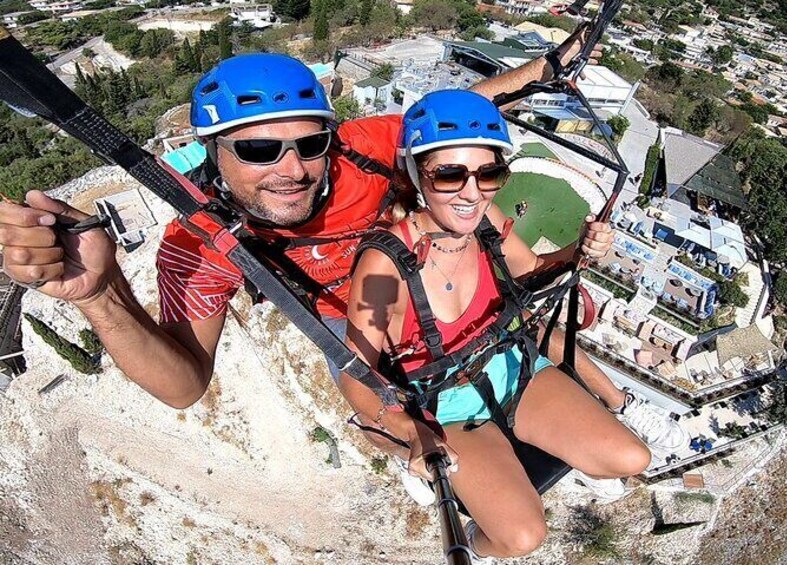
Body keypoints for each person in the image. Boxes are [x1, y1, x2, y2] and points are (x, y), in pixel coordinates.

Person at [0, 42, 683, 503]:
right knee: (381, 383)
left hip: (418, 273)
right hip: (349, 315)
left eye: (308, 144)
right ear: (214, 156)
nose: (290, 168)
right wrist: (100, 296)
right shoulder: (199, 239)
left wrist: (547, 65)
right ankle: (418, 450)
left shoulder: (365, 150)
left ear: (332, 139)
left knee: (517, 291)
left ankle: (580, 406)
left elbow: (466, 108)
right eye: (259, 148)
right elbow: (184, 383)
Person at [338, 90, 651, 560]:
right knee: (522, 539)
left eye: (489, 174)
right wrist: (411, 434)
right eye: (449, 175)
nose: (472, 192)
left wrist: (578, 250)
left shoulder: (487, 222)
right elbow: (356, 370)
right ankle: (477, 542)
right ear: (415, 175)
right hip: (447, 407)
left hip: (512, 368)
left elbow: (531, 269)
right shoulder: (386, 265)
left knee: (632, 458)